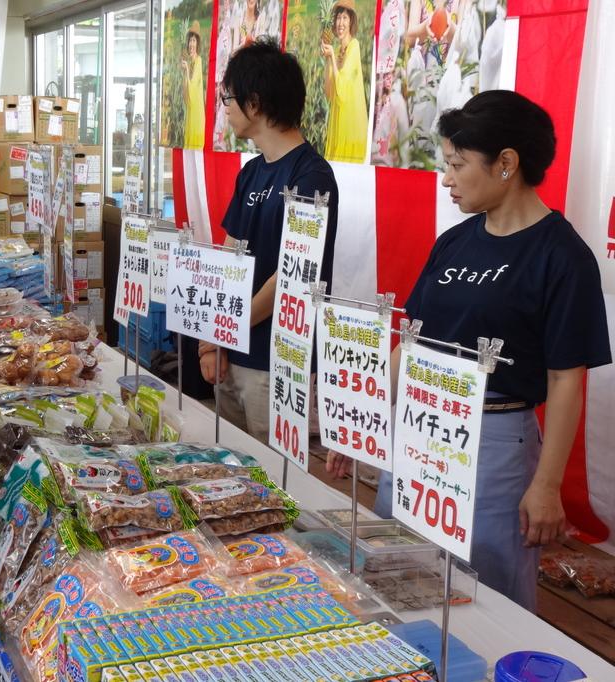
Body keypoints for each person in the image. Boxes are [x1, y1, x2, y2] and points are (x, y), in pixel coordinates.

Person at [327, 91, 612, 610]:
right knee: (398, 567)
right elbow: (410, 344)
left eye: (457, 164)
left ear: (506, 163)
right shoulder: (454, 242)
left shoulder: (562, 256)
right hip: (418, 427)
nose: (447, 178)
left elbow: (566, 379)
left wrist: (546, 486)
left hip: (496, 440)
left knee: (485, 590)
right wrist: (362, 425)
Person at [200, 38, 339, 442]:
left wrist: (227, 329)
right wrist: (214, 338)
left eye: (228, 97)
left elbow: (291, 279)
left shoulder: (312, 178)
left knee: (274, 481)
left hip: (274, 361)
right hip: (232, 348)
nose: (224, 107)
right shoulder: (252, 172)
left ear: (255, 103)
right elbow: (230, 256)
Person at [322, 0, 369, 163]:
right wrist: (329, 59)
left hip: (350, 123)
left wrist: (333, 58)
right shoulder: (336, 50)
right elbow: (329, 92)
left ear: (351, 22)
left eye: (345, 18)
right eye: (338, 18)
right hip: (338, 121)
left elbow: (343, 86)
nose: (340, 23)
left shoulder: (354, 46)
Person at [181, 22, 205, 149]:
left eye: (194, 41)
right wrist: (185, 71)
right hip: (191, 110)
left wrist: (186, 71)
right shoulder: (190, 61)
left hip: (196, 110)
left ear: (197, 44)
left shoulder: (199, 60)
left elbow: (194, 86)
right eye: (190, 41)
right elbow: (185, 91)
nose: (191, 44)